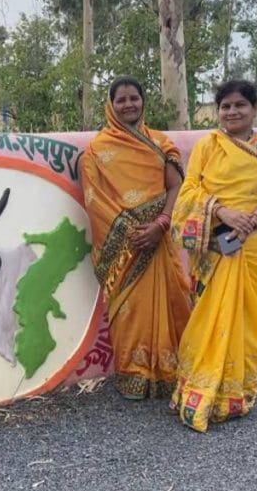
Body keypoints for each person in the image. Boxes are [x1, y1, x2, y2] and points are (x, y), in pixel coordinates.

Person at [169, 79, 257, 433]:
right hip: (219, 239)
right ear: (218, 110)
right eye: (225, 106)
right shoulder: (209, 145)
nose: (232, 112)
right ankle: (198, 390)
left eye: (240, 105)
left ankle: (236, 394)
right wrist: (222, 212)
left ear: (254, 108)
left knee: (249, 317)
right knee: (210, 312)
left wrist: (251, 220)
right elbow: (191, 189)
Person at [80, 77, 193, 400]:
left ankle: (170, 375)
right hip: (128, 249)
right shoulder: (97, 152)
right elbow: (96, 201)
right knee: (132, 312)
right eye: (121, 100)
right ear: (111, 105)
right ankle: (135, 376)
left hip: (159, 240)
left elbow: (175, 187)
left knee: (173, 303)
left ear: (144, 101)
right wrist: (133, 234)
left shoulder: (160, 143)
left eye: (134, 98)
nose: (129, 105)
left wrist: (161, 223)